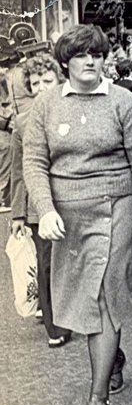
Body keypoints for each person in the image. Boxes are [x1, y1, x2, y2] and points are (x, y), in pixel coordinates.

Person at [23, 25, 132, 405]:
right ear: (66, 63)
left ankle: (98, 397)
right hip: (67, 215)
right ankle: (113, 357)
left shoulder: (123, 101)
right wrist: (46, 210)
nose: (91, 61)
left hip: (116, 206)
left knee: (105, 296)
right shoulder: (46, 106)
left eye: (97, 54)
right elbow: (35, 163)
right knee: (81, 298)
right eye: (82, 55)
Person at [9, 53, 73, 348]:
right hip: (39, 206)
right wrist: (18, 215)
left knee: (74, 260)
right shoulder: (22, 124)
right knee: (47, 264)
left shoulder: (73, 111)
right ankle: (54, 325)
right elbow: (19, 172)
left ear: (60, 80)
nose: (41, 87)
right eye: (35, 83)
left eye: (47, 80)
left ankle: (77, 314)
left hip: (74, 199)